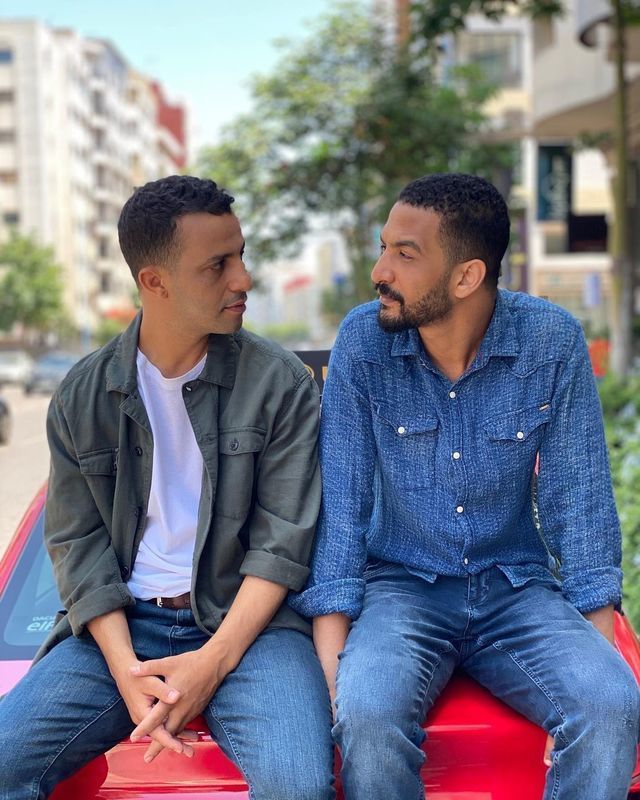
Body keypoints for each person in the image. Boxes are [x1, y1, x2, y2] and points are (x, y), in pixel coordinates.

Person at [290, 173, 640, 800]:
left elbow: (579, 502)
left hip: (517, 587)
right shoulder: (364, 342)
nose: (379, 271)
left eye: (405, 254)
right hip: (402, 588)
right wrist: (336, 675)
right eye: (383, 247)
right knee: (368, 717)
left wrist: (591, 673)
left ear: (466, 277)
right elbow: (341, 506)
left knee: (611, 705)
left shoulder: (551, 341)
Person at [0, 175, 334, 800]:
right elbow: (77, 546)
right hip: (124, 627)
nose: (243, 279)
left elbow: (282, 545)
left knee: (299, 785)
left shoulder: (280, 383)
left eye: (241, 256)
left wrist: (211, 663)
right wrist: (126, 670)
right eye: (218, 265)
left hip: (250, 629)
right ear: (154, 281)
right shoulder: (82, 396)